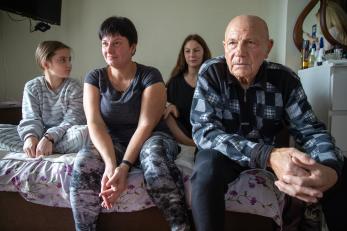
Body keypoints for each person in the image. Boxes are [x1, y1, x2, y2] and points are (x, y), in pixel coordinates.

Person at [190, 15, 346, 231]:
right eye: (233, 43)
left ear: (267, 47)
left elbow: (310, 130)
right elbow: (205, 133)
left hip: (270, 157)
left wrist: (330, 169)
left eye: (250, 43)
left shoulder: (284, 79)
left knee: (339, 170)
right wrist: (269, 155)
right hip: (226, 155)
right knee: (206, 167)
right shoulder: (212, 72)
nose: (240, 52)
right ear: (225, 47)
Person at [69, 16, 190, 231]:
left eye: (116, 43)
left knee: (154, 161)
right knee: (83, 161)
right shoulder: (94, 77)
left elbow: (145, 125)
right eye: (105, 43)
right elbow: (94, 123)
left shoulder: (150, 75)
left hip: (151, 136)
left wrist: (124, 166)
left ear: (132, 47)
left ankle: (180, 226)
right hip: (113, 140)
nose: (109, 49)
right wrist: (110, 164)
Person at [0, 40, 86, 157]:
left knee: (86, 133)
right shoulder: (32, 87)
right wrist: (30, 137)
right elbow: (31, 117)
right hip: (40, 133)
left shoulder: (74, 87)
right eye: (62, 60)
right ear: (46, 64)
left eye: (69, 59)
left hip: (64, 134)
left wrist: (49, 138)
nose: (69, 64)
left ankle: (42, 147)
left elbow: (72, 121)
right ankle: (38, 147)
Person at [164, 34, 211, 147]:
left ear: (204, 52)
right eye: (187, 51)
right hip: (183, 135)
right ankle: (192, 144)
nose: (192, 55)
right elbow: (159, 103)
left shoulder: (212, 80)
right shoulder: (175, 81)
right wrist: (169, 104)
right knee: (167, 115)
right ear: (183, 54)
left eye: (196, 50)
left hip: (208, 132)